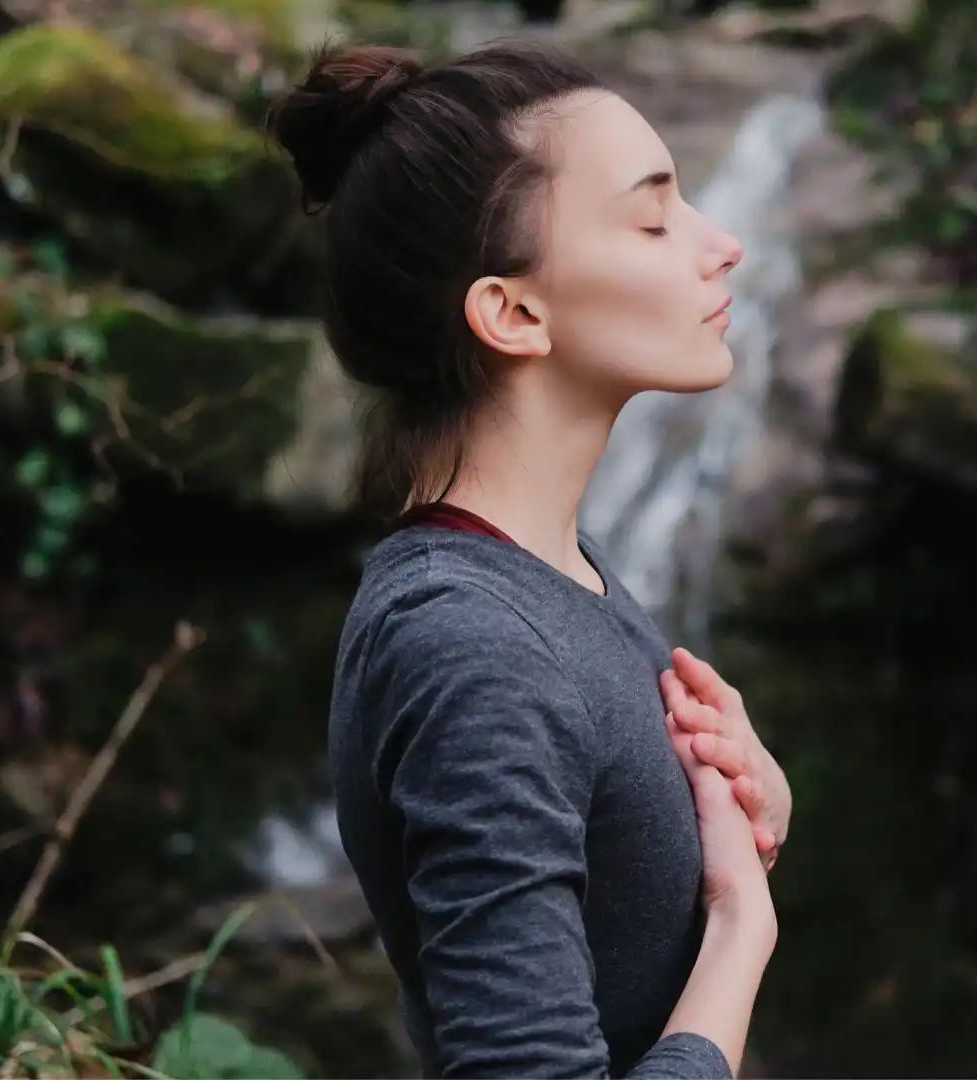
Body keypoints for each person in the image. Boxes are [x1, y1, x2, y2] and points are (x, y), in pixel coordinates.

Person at [273, 38, 794, 1080]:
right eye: (653, 218)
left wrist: (736, 823)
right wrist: (741, 932)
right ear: (511, 312)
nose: (722, 244)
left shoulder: (553, 567)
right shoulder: (472, 647)